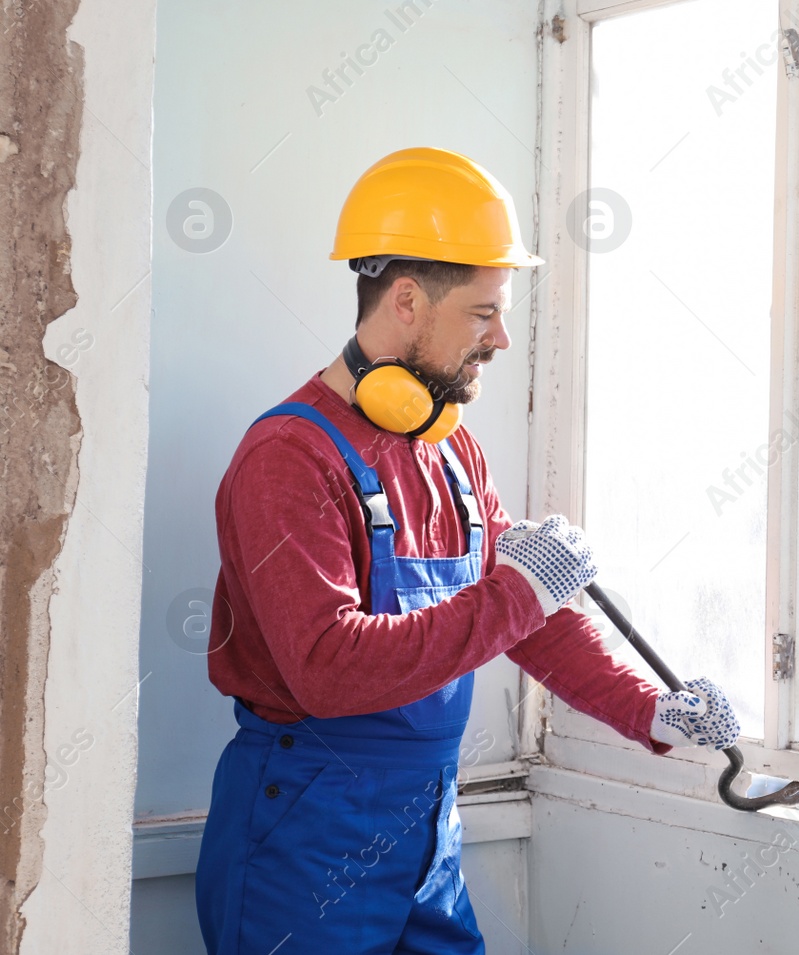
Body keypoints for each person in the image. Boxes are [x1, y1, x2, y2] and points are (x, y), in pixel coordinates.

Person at [194, 148, 739, 954]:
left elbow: (524, 615)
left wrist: (647, 710)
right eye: (484, 312)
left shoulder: (450, 454)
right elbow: (328, 663)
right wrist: (521, 591)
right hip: (304, 833)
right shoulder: (287, 456)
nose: (504, 338)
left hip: (427, 827)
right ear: (408, 300)